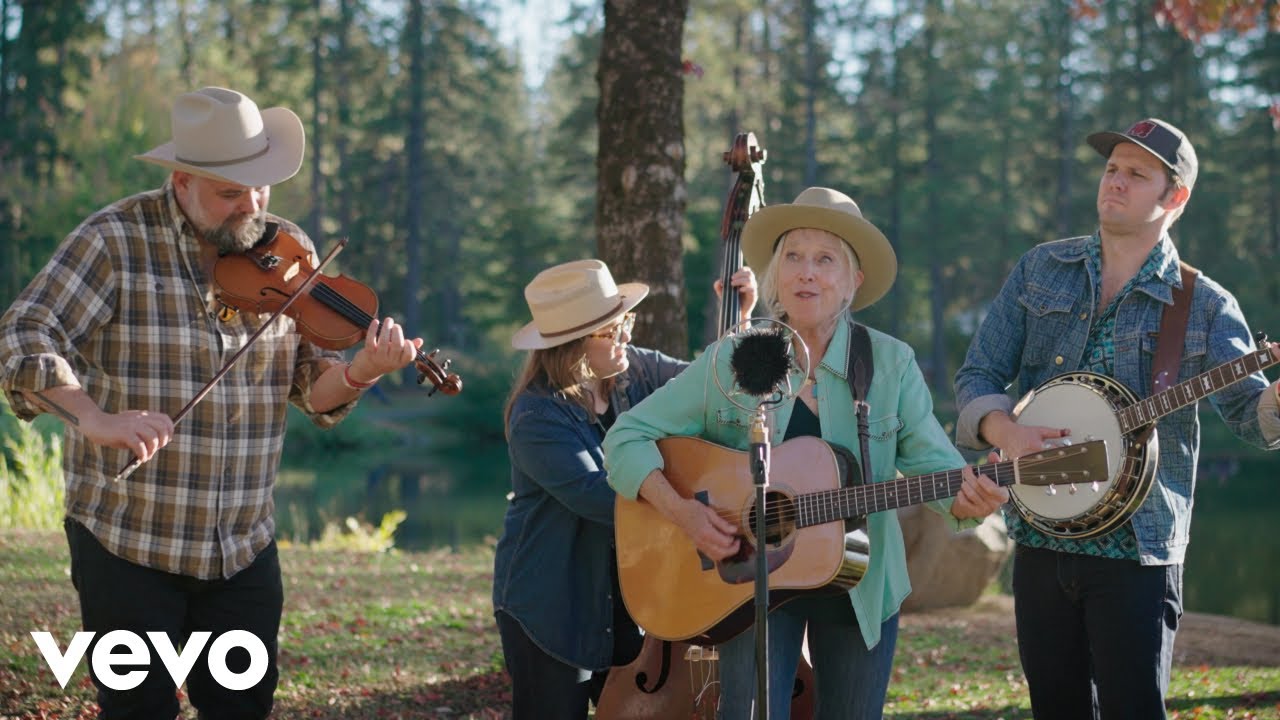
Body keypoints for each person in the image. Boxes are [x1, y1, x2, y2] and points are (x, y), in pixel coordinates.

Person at [0, 86, 423, 719]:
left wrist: (362, 370)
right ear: (180, 182)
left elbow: (313, 386)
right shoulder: (114, 240)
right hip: (128, 543)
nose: (252, 205)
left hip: (243, 547)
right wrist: (93, 417)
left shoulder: (288, 250)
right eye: (231, 192)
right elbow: (24, 334)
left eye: (261, 187)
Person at [602, 187, 1009, 719]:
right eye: (792, 256)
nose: (806, 273)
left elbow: (937, 468)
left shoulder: (889, 363)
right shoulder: (732, 358)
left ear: (853, 281)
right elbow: (624, 438)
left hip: (861, 587)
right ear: (775, 273)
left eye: (825, 259)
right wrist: (686, 513)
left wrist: (970, 496)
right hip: (748, 585)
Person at [953, 118, 1280, 719]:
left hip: (1139, 550)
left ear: (1174, 196)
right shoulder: (1040, 270)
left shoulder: (1204, 304)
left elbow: (1252, 417)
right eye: (1111, 169)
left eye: (1137, 173)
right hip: (1040, 538)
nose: (1116, 182)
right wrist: (1007, 433)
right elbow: (978, 376)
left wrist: (1278, 400)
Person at [492, 258, 757, 719]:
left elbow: (712, 386)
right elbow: (604, 499)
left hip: (629, 597)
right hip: (554, 603)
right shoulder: (537, 417)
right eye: (612, 330)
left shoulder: (636, 370)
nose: (626, 337)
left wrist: (742, 318)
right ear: (573, 345)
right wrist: (690, 509)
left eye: (625, 322)